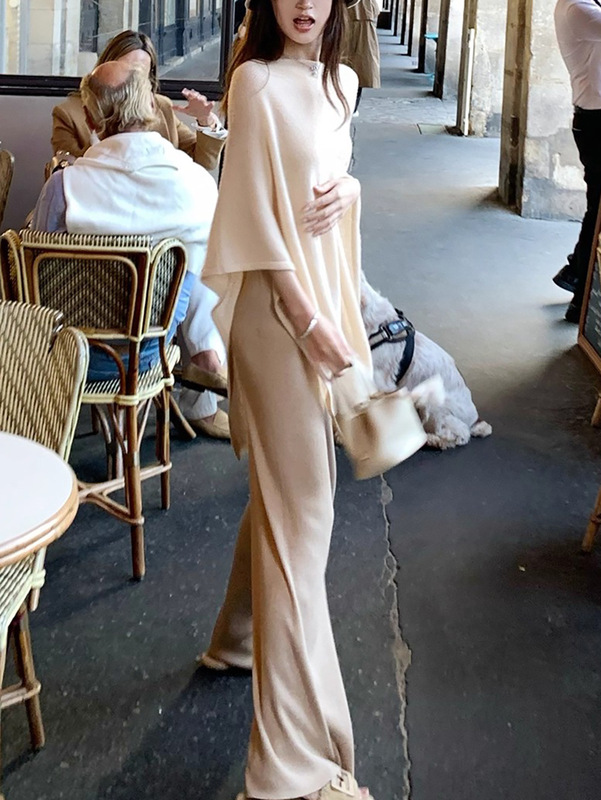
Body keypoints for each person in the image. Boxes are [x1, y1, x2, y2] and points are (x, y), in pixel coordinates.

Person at [199, 0, 377, 795]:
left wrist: (352, 192)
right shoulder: (254, 83)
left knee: (285, 499)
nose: (305, 4)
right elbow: (250, 217)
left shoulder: (343, 84)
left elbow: (324, 184)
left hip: (320, 303)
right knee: (305, 516)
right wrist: (306, 322)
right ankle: (287, 764)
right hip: (277, 322)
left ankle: (235, 641)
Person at [32, 61, 229, 440]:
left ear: (90, 118)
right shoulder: (197, 186)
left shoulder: (64, 187)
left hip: (71, 353)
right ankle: (207, 360)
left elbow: (37, 277)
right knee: (198, 255)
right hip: (148, 355)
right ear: (152, 106)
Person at [51, 29, 227, 173]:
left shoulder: (161, 106)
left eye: (140, 73)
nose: (133, 82)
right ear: (107, 67)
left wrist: (205, 120)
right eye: (127, 70)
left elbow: (204, 162)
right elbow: (69, 171)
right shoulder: (69, 114)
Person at [554, 0, 601, 323]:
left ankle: (575, 274)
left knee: (597, 206)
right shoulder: (578, 8)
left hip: (593, 119)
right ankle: (581, 295)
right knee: (598, 209)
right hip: (596, 122)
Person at [343, 0, 381, 112]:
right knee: (360, 68)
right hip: (361, 17)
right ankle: (352, 107)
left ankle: (351, 107)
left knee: (359, 67)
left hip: (358, 18)